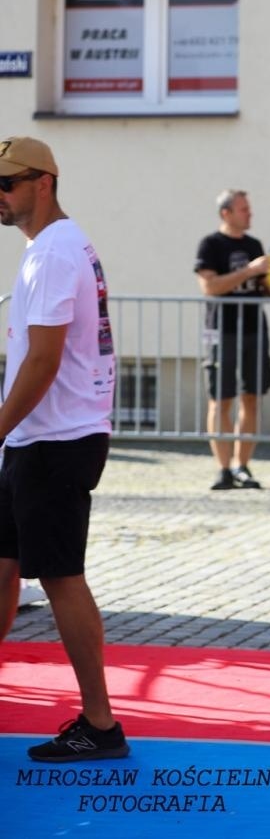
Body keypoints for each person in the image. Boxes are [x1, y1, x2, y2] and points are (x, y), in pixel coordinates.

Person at [0, 136, 128, 762]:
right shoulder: (52, 246)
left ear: (42, 183)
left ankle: (101, 724)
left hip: (54, 437)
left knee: (59, 576)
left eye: (6, 184)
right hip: (40, 435)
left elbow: (46, 359)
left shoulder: (52, 253)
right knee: (3, 567)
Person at [194, 189, 270, 491]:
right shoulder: (211, 244)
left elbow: (269, 290)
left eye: (249, 208)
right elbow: (210, 286)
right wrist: (249, 270)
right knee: (221, 399)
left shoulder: (254, 244)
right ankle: (223, 469)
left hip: (254, 329)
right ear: (226, 213)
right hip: (222, 329)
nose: (250, 214)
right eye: (244, 209)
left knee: (251, 397)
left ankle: (243, 466)